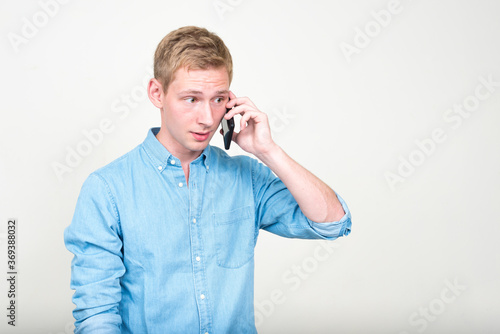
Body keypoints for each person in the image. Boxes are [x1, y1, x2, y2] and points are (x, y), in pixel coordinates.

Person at [64, 25, 352, 334]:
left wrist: (268, 151)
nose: (207, 118)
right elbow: (97, 316)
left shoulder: (248, 177)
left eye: (218, 100)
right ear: (157, 93)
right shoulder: (107, 189)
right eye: (191, 99)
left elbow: (332, 222)